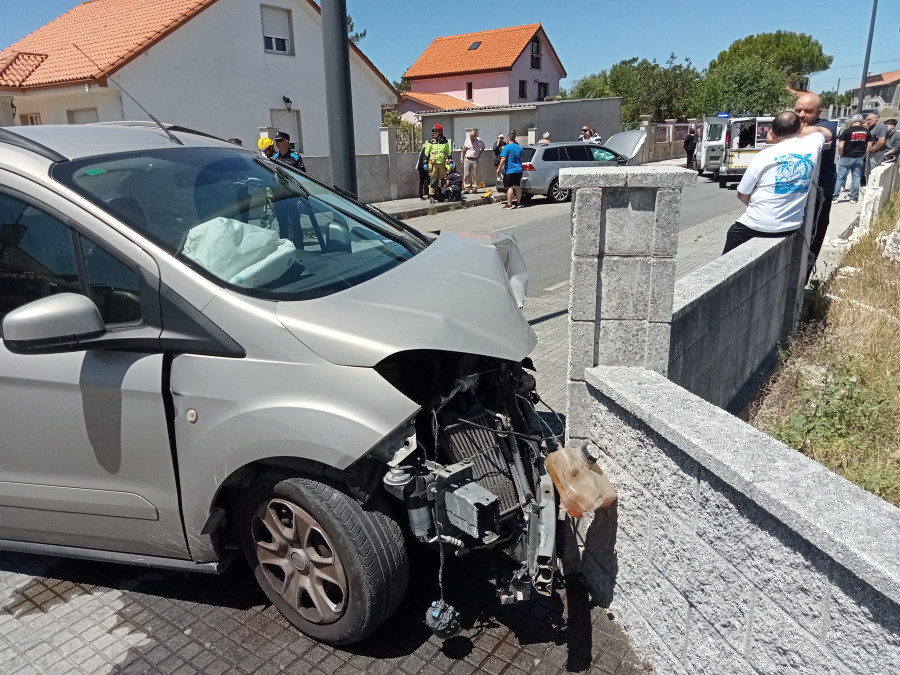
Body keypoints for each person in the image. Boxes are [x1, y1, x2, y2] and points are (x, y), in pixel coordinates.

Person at [722, 111, 830, 255]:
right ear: (799, 129)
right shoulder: (812, 144)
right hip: (790, 227)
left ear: (771, 132)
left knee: (732, 238)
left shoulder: (764, 156)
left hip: (755, 225)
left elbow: (742, 194)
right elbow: (825, 132)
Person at [794, 92, 838, 267]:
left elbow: (826, 133)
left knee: (812, 238)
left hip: (820, 195)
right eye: (798, 110)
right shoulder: (795, 122)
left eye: (808, 111)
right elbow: (770, 135)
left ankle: (803, 280)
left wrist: (790, 130)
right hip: (796, 195)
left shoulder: (828, 125)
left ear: (819, 112)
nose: (801, 115)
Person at [832, 115, 868, 203]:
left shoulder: (846, 131)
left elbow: (841, 146)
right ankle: (854, 198)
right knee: (856, 178)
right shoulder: (866, 132)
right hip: (859, 157)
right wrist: (864, 155)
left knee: (840, 178)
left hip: (846, 157)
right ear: (862, 122)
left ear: (852, 121)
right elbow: (869, 146)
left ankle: (835, 197)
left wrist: (841, 155)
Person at [497, 130, 523, 210]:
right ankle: (518, 203)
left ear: (508, 139)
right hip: (519, 170)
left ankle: (509, 204)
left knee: (510, 187)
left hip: (510, 170)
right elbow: (521, 158)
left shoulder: (506, 147)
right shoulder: (519, 147)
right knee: (518, 186)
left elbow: (503, 158)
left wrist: (498, 168)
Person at [424, 124, 451, 202]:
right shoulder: (431, 142)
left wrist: (451, 161)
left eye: (436, 131)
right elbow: (426, 153)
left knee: (442, 180)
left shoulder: (445, 142)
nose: (434, 133)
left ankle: (441, 194)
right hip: (434, 164)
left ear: (440, 132)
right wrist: (425, 163)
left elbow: (448, 152)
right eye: (434, 131)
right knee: (433, 180)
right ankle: (432, 195)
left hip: (442, 164)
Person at [460, 129, 485, 194]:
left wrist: (479, 154)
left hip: (475, 159)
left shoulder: (479, 140)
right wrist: (461, 157)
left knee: (474, 174)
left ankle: (474, 188)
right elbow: (463, 150)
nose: (471, 138)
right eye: (470, 136)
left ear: (475, 136)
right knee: (466, 174)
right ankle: (467, 188)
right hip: (467, 159)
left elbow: (483, 147)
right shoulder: (467, 140)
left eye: (472, 136)